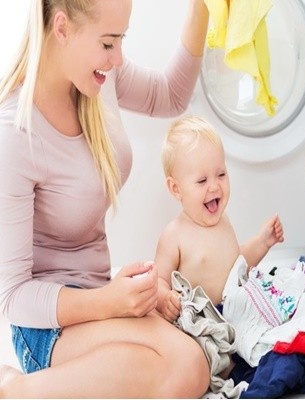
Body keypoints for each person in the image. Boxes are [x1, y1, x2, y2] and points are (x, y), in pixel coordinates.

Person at [0, 1, 212, 398]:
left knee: (189, 364)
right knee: (185, 366)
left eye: (121, 40)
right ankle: (13, 390)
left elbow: (169, 95)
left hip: (97, 295)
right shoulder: (15, 135)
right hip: (47, 327)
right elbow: (12, 297)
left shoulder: (97, 76)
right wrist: (109, 302)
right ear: (61, 28)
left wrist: (204, 6)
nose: (117, 58)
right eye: (109, 43)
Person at [155, 115, 284, 323]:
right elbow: (159, 279)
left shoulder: (223, 220)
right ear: (176, 188)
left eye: (221, 174)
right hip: (203, 318)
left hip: (236, 311)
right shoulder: (174, 234)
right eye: (202, 180)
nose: (214, 186)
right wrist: (165, 300)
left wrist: (263, 242)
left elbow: (236, 264)